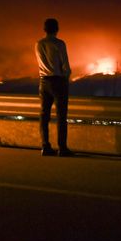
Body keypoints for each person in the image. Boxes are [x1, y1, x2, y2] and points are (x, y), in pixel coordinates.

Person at [35, 18, 74, 157]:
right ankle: (62, 148)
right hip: (58, 81)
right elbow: (65, 66)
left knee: (44, 115)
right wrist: (66, 78)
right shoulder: (59, 43)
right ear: (57, 29)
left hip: (43, 82)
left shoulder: (38, 44)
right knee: (61, 116)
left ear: (44, 29)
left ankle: (45, 146)